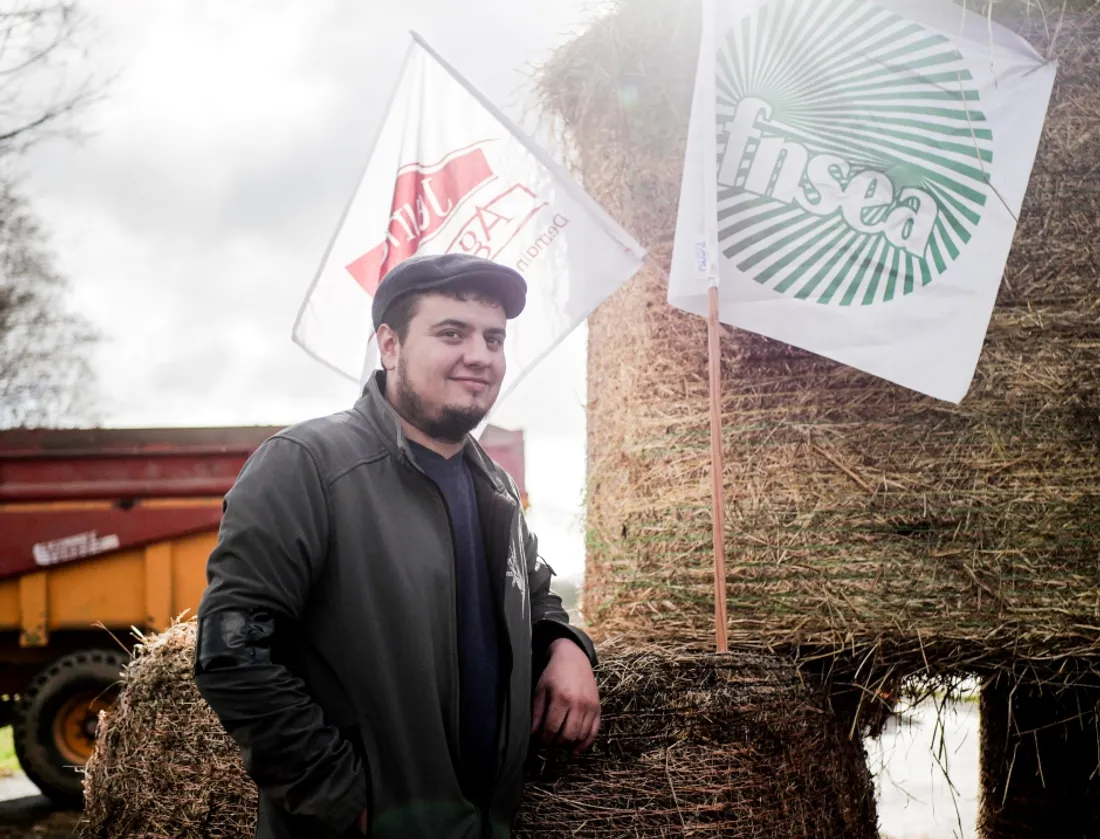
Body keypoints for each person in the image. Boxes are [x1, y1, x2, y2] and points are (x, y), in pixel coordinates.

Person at [193, 252, 601, 839]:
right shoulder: (306, 465)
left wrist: (566, 647)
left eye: (494, 338)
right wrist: (337, 796)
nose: (479, 356)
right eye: (451, 333)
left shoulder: (497, 490)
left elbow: (532, 597)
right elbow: (233, 651)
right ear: (389, 346)